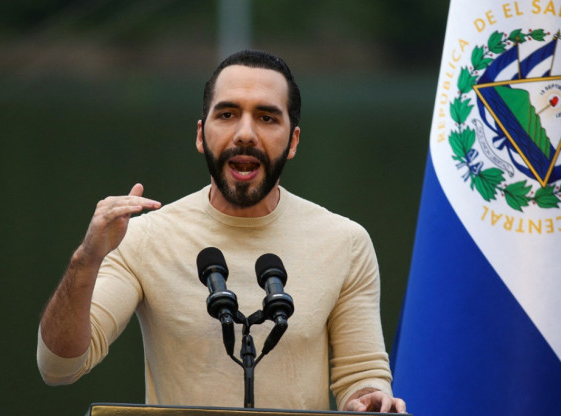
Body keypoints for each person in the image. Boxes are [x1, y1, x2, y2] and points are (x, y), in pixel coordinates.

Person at [37, 49, 406, 413]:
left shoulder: (345, 242)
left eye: (266, 118)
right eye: (227, 114)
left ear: (292, 141)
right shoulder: (142, 237)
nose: (245, 134)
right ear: (201, 135)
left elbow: (362, 376)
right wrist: (85, 259)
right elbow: (59, 368)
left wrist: (370, 399)